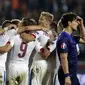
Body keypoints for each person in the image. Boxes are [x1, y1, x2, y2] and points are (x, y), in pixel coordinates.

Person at [56, 12, 85, 85]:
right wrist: (67, 76)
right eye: (75, 21)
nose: (77, 23)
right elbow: (63, 58)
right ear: (69, 23)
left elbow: (84, 40)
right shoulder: (64, 38)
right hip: (67, 74)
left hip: (72, 73)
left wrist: (82, 25)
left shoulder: (71, 37)